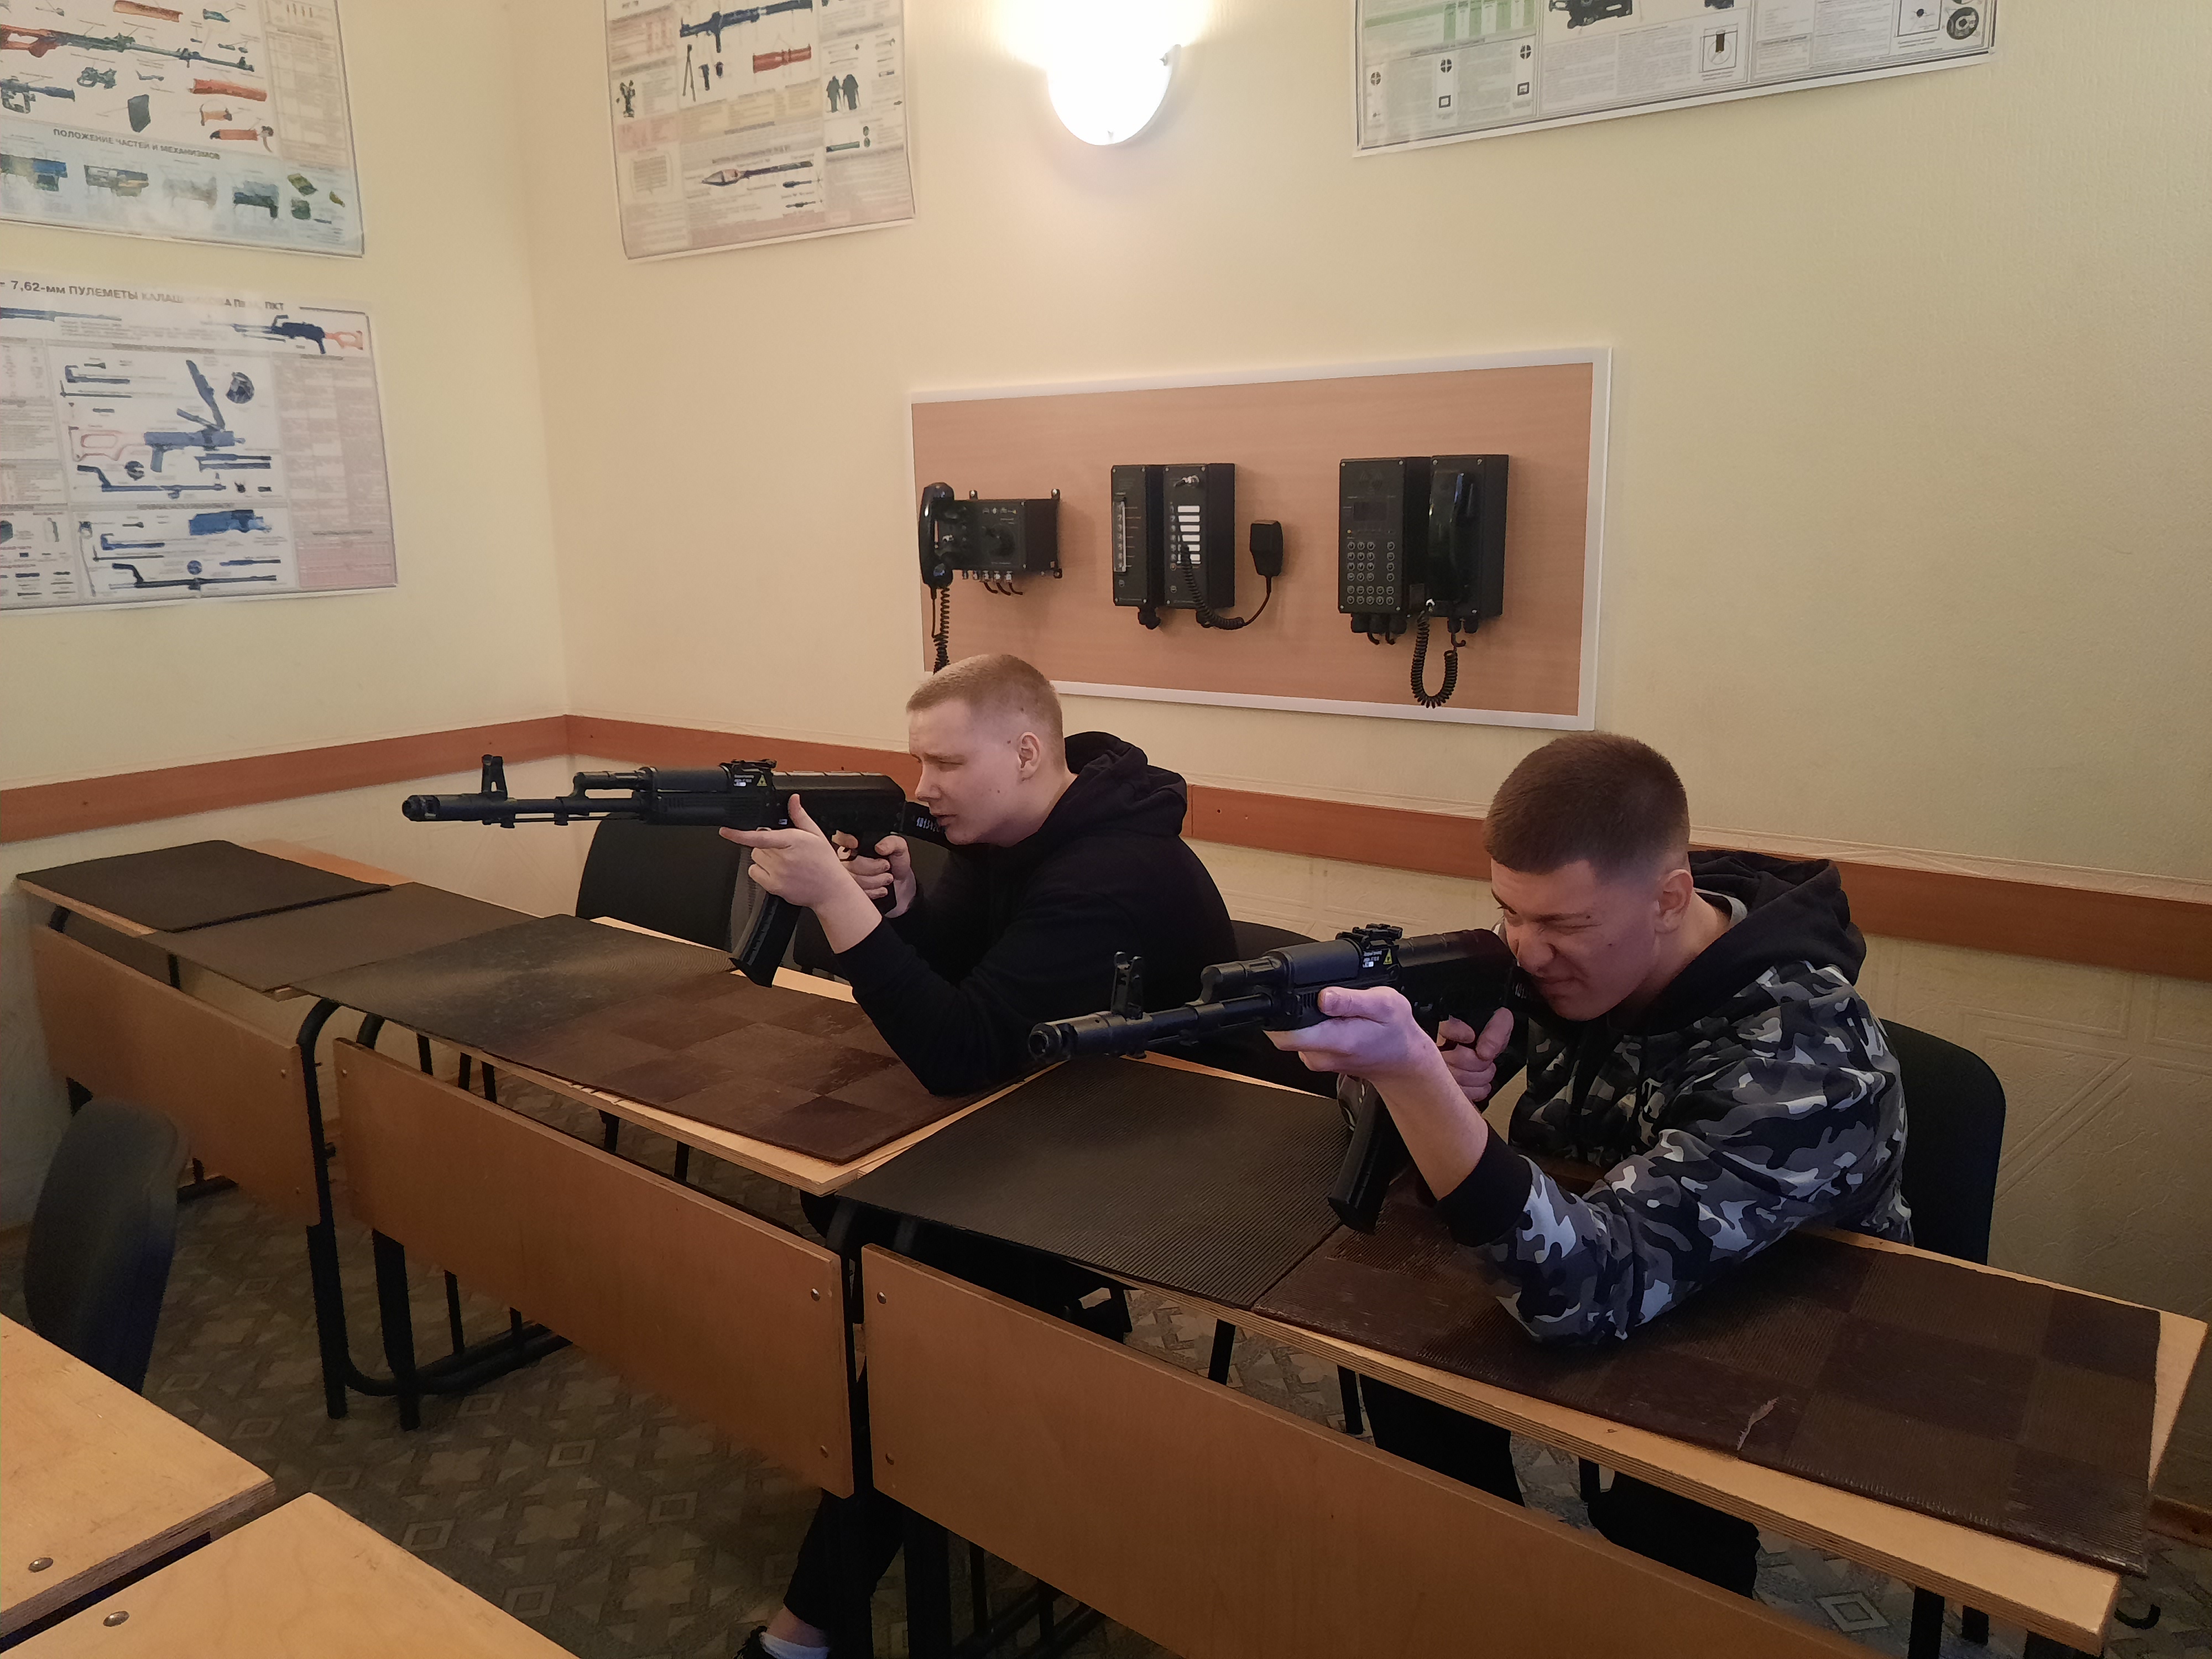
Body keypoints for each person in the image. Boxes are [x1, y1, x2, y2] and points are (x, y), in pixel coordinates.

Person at [1271, 731, 1910, 1595]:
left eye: (1564, 924)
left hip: (1781, 1337)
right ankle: (1475, 1596)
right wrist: (1430, 1076)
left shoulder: (1805, 1053)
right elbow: (1414, 1110)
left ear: (1670, 899)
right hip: (1604, 1257)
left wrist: (1417, 1080)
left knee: (1664, 1529)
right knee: (1412, 1372)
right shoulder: (1573, 958)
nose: (1527, 952)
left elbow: (1587, 1292)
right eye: (1509, 911)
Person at [723, 651, 1237, 1659]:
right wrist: (901, 909)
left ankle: (806, 1627)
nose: (924, 788)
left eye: (948, 764)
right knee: (861, 1220)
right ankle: (962, 1431)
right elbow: (975, 978)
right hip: (1065, 1122)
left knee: (923, 1287)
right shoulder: (1015, 830)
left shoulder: (1111, 874)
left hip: (1193, 1170)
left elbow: (959, 1051)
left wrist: (840, 907)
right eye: (921, 762)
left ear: (1028, 752)